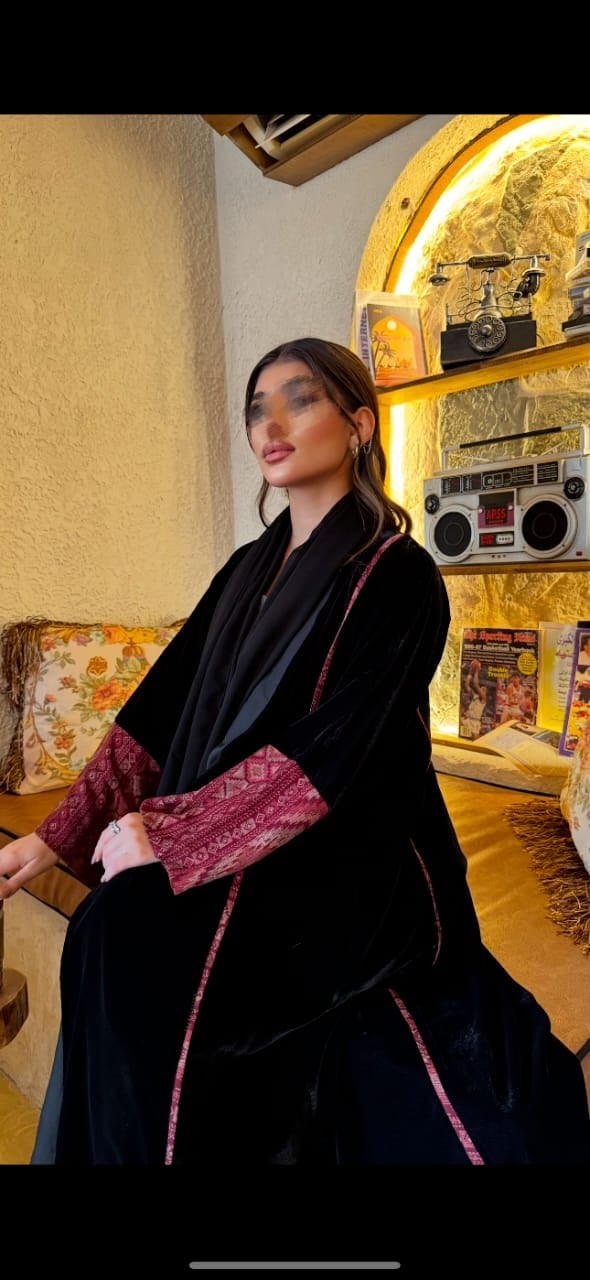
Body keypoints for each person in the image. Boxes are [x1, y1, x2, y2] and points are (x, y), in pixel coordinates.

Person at [1, 336, 589, 1167]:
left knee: (137, 938)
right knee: (113, 927)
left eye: (300, 400)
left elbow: (336, 748)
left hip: (353, 848)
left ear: (358, 424)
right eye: (256, 410)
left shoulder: (400, 575)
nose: (270, 426)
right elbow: (159, 712)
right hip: (236, 827)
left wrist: (169, 835)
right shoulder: (247, 567)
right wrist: (53, 837)